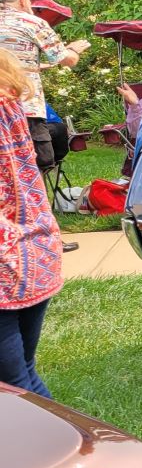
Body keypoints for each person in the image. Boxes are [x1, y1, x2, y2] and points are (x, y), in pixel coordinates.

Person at [0, 47, 64, 398]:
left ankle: (57, 448)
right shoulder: (10, 103)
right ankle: (72, 445)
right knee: (22, 373)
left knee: (14, 385)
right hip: (36, 246)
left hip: (7, 261)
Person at [0, 0, 87, 177]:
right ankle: (32, 204)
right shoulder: (33, 23)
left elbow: (15, 63)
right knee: (37, 161)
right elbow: (67, 60)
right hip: (24, 108)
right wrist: (73, 49)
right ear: (23, 0)